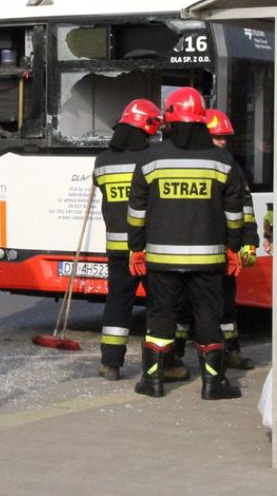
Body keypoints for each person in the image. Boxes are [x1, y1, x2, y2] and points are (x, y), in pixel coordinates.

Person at [126, 87, 246, 399]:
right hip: (208, 260)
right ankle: (213, 383)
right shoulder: (222, 161)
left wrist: (136, 248)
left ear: (168, 120)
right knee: (208, 318)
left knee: (161, 317)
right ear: (202, 121)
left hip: (161, 260)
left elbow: (136, 212)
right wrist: (233, 248)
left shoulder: (149, 160)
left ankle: (152, 381)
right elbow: (234, 214)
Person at [93, 99, 178, 381]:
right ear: (148, 128)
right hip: (150, 249)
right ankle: (165, 363)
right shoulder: (153, 158)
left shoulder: (102, 161)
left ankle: (111, 363)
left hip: (117, 248)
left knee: (118, 303)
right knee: (159, 306)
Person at [175, 108, 259, 371]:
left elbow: (245, 207)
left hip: (222, 248)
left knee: (225, 303)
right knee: (184, 305)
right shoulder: (189, 164)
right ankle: (174, 355)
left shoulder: (230, 165)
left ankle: (230, 351)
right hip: (193, 246)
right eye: (217, 137)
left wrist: (248, 242)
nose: (222, 142)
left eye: (225, 138)